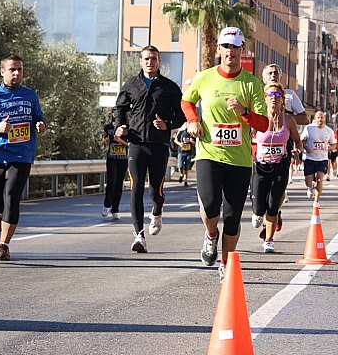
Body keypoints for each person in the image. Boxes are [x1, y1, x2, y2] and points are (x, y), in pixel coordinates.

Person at [181, 26, 268, 280]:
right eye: (226, 46)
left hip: (239, 161)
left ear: (243, 49)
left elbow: (263, 124)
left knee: (232, 217)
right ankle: (210, 236)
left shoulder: (251, 84)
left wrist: (244, 112)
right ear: (219, 49)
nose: (230, 51)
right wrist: (193, 120)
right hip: (209, 153)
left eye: (235, 46)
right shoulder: (203, 77)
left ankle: (226, 265)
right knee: (210, 207)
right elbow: (186, 101)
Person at [0, 54, 47, 261]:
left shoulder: (30, 95)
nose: (16, 73)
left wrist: (41, 125)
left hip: (23, 153)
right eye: (12, 69)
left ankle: (3, 245)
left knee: (12, 196)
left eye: (20, 69)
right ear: (2, 71)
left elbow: (39, 118)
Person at [114, 45, 186, 253]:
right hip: (136, 144)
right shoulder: (132, 84)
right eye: (146, 58)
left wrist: (168, 123)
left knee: (156, 189)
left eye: (153, 58)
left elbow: (181, 114)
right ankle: (139, 235)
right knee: (136, 187)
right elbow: (119, 108)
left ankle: (157, 210)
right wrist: (120, 124)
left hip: (159, 145)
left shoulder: (168, 87)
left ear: (159, 61)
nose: (149, 62)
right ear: (140, 61)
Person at [251, 82, 302, 253]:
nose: (274, 98)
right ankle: (258, 213)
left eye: (278, 95)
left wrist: (298, 149)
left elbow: (297, 140)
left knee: (273, 205)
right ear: (264, 99)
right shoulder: (258, 119)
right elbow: (249, 139)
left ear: (283, 101)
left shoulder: (288, 120)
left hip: (280, 166)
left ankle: (269, 240)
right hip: (261, 167)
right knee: (259, 209)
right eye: (270, 95)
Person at [301, 110, 336, 203]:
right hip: (310, 158)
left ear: (324, 118)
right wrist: (307, 149)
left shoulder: (329, 131)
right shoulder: (308, 128)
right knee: (308, 181)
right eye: (318, 117)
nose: (320, 119)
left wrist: (330, 148)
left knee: (320, 179)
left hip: (322, 159)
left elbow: (334, 145)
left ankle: (316, 201)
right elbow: (302, 141)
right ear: (315, 119)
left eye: (322, 117)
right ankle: (310, 187)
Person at [101, 116, 129, 220]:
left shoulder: (128, 129)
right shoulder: (108, 128)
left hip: (123, 159)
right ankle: (107, 204)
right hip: (111, 158)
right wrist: (105, 140)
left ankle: (115, 209)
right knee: (111, 181)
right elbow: (103, 140)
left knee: (119, 184)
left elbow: (130, 144)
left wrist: (119, 140)